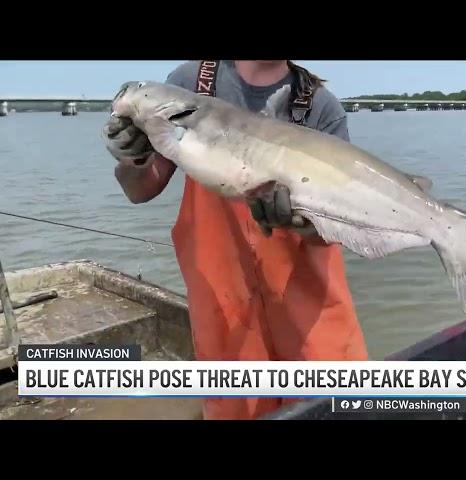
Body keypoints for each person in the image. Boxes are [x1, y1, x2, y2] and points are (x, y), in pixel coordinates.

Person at [103, 60, 369, 420]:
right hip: (225, 310)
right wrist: (132, 157)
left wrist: (301, 223)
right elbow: (140, 189)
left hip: (311, 307)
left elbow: (336, 229)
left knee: (330, 409)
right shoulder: (189, 84)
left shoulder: (321, 105)